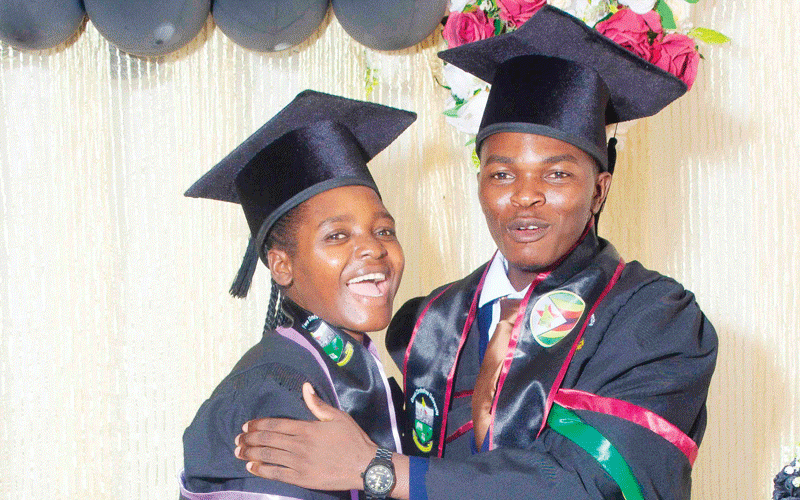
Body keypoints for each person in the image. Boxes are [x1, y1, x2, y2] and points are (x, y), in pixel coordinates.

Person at [233, 7, 718, 500]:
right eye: (502, 174)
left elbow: (595, 485)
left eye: (557, 174)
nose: (525, 196)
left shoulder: (653, 320)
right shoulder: (426, 324)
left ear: (598, 191)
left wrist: (377, 470)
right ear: (480, 183)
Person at [180, 90, 416, 499]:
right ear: (281, 265)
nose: (373, 248)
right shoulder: (273, 393)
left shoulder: (362, 370)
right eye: (337, 235)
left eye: (384, 230)